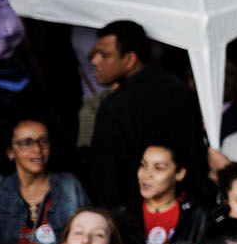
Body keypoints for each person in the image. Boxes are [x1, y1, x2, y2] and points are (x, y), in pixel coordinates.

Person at [87, 19, 206, 210]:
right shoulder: (181, 89)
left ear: (130, 60)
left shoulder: (115, 106)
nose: (94, 61)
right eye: (95, 54)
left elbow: (105, 178)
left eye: (105, 55)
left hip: (135, 217)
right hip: (187, 209)